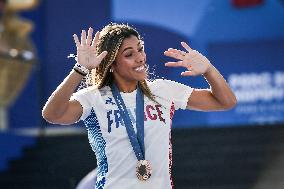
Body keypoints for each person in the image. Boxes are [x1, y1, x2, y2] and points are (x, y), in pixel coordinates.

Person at [42, 23, 237, 189]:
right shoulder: (94, 98)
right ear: (112, 63)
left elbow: (225, 101)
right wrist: (80, 70)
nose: (140, 57)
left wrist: (209, 70)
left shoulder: (163, 90)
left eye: (140, 48)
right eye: (129, 54)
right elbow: (52, 114)